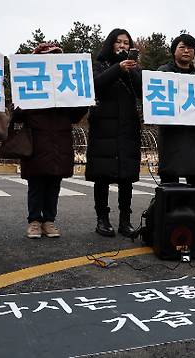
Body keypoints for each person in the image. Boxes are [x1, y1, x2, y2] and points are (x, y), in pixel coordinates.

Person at [15, 43, 87, 239]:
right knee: (36, 184)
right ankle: (34, 221)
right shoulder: (30, 85)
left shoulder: (66, 86)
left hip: (60, 142)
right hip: (36, 142)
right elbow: (18, 116)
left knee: (54, 184)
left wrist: (85, 103)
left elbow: (73, 116)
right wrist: (19, 106)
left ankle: (49, 220)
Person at [85, 29, 142, 237]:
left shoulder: (134, 69)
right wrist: (118, 68)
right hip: (103, 129)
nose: (122, 46)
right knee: (102, 176)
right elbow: (95, 86)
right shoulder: (98, 65)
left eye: (126, 43)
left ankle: (125, 220)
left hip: (127, 129)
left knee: (126, 177)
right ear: (110, 44)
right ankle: (102, 219)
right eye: (118, 42)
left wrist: (130, 71)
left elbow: (143, 90)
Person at [157, 34, 195, 236]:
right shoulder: (163, 73)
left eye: (191, 48)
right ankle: (166, 218)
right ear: (174, 50)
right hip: (171, 134)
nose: (186, 51)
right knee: (169, 180)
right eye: (182, 47)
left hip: (194, 136)